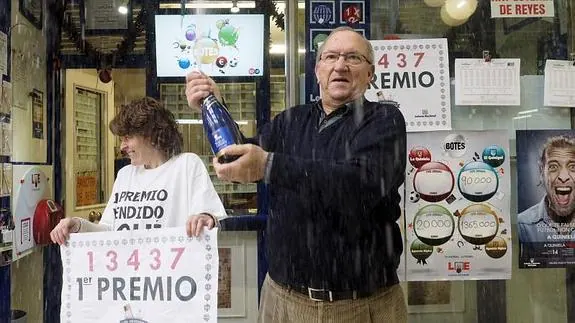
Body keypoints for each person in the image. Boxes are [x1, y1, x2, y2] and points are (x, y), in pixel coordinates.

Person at [186, 27, 407, 322]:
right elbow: (240, 154)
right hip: (280, 299)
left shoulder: (384, 119)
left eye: (353, 58)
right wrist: (213, 105)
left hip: (358, 304)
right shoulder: (290, 120)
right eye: (331, 57)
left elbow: (362, 184)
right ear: (317, 70)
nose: (340, 65)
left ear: (370, 73)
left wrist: (270, 166)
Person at [50, 97, 227, 244]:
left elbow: (209, 218)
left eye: (127, 138)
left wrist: (206, 218)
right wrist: (78, 225)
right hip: (132, 280)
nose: (122, 147)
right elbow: (108, 231)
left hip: (171, 279)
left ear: (150, 134)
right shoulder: (125, 175)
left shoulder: (187, 165)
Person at [518, 135, 575, 244]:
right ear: (541, 173)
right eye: (553, 167)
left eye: (573, 167)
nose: (563, 177)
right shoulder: (522, 225)